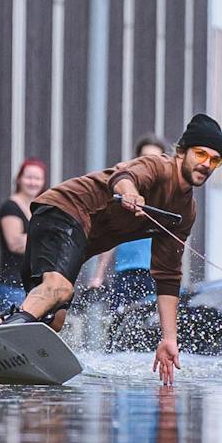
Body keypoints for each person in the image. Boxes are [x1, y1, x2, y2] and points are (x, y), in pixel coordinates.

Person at [0, 113, 222, 385]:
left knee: (53, 319)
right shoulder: (160, 166)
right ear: (181, 151)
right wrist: (129, 191)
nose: (206, 164)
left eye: (215, 160)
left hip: (75, 240)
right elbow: (125, 173)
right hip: (64, 210)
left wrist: (169, 339)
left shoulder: (185, 211)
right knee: (58, 288)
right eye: (200, 154)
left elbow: (167, 277)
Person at [91, 134, 168, 317]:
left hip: (154, 273)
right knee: (118, 321)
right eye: (145, 157)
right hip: (125, 272)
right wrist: (99, 275)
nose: (150, 162)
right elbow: (110, 235)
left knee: (150, 324)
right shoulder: (126, 191)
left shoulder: (165, 194)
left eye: (155, 158)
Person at [0, 157, 47, 315]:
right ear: (19, 179)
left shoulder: (41, 208)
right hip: (12, 285)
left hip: (36, 287)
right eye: (29, 177)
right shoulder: (10, 207)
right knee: (14, 332)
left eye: (37, 178)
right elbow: (15, 244)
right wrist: (47, 239)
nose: (33, 182)